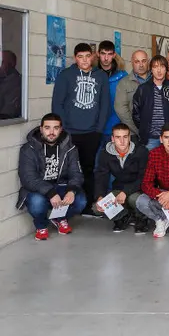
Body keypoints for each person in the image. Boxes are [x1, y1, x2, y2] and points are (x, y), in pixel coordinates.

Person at [51, 42, 110, 215]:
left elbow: (104, 104)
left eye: (87, 56)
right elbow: (57, 104)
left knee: (89, 168)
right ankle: (68, 203)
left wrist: (99, 129)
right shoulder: (66, 75)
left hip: (92, 132)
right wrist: (63, 129)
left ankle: (88, 204)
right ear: (75, 58)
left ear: (93, 56)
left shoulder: (101, 76)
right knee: (69, 169)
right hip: (70, 132)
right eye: (80, 57)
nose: (84, 60)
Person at [16, 113, 87, 241]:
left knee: (81, 201)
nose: (51, 132)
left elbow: (76, 173)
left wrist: (72, 190)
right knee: (37, 203)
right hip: (39, 189)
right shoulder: (28, 149)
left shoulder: (70, 148)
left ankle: (59, 218)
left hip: (62, 186)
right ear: (41, 129)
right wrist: (50, 192)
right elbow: (28, 178)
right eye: (47, 128)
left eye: (56, 128)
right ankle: (41, 225)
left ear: (61, 129)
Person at [93, 123, 150, 234]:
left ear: (129, 137)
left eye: (125, 137)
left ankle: (141, 219)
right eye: (118, 137)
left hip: (139, 189)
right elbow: (101, 177)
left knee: (135, 199)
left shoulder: (141, 151)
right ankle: (123, 216)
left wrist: (126, 192)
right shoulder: (105, 154)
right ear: (112, 138)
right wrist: (100, 196)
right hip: (119, 188)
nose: (122, 141)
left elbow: (144, 177)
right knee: (97, 208)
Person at [132, 55, 169, 150]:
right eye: (155, 67)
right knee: (151, 164)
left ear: (166, 69)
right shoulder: (143, 89)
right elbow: (136, 114)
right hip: (150, 138)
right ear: (151, 70)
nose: (159, 70)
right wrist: (145, 127)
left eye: (162, 66)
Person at [95, 41, 128, 146]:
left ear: (114, 55)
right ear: (98, 54)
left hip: (117, 126)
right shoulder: (92, 74)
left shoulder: (123, 76)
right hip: (96, 127)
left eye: (109, 54)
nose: (106, 58)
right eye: (103, 53)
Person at [115, 50, 150, 139]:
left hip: (156, 133)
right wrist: (138, 129)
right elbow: (121, 109)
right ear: (132, 63)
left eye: (144, 61)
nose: (141, 65)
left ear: (148, 61)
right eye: (137, 61)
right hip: (133, 133)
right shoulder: (124, 83)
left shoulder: (156, 79)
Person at [0, 50, 22, 119]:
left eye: (2, 62)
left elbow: (7, 113)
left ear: (11, 64)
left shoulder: (16, 82)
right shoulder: (3, 78)